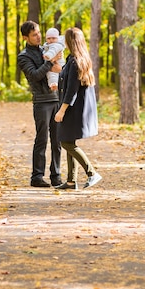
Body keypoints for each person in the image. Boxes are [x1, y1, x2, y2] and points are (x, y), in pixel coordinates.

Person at [54, 27, 102, 190]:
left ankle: (92, 173)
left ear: (70, 41)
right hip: (76, 109)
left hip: (73, 109)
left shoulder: (75, 62)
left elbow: (71, 91)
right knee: (69, 140)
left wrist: (61, 110)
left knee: (66, 142)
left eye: (65, 39)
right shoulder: (76, 59)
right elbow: (67, 83)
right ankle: (70, 181)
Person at [17, 20, 62, 188]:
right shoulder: (24, 56)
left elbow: (58, 68)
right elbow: (35, 75)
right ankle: (37, 176)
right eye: (34, 34)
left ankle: (56, 175)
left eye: (39, 33)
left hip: (56, 98)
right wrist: (50, 63)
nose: (38, 36)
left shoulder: (47, 48)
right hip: (42, 101)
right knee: (42, 139)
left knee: (57, 139)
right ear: (25, 37)